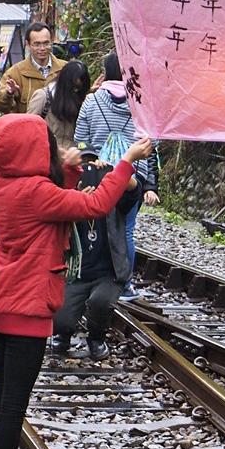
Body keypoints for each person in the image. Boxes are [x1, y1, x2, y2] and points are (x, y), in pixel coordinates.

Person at [0, 113, 151, 449]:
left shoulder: (7, 184)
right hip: (27, 305)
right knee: (12, 407)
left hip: (5, 300)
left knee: (3, 400)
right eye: (47, 142)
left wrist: (69, 172)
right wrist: (126, 161)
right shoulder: (37, 191)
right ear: (30, 150)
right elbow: (93, 205)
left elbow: (58, 208)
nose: (54, 147)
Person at [74, 51, 156, 301]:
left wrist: (91, 158)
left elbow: (80, 141)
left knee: (94, 227)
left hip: (98, 175)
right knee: (126, 229)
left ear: (106, 71)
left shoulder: (92, 101)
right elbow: (153, 143)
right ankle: (125, 283)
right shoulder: (142, 102)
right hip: (132, 176)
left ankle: (95, 279)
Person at [51, 150, 141, 360]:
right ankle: (62, 335)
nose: (89, 172)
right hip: (75, 273)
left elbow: (134, 191)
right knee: (60, 319)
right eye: (83, 167)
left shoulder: (113, 201)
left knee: (100, 302)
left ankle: (97, 338)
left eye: (92, 166)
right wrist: (76, 193)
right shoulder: (66, 198)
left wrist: (113, 174)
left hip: (107, 274)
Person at [0, 22, 66, 115]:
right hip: (28, 128)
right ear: (28, 44)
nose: (42, 48)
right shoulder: (15, 73)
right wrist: (8, 94)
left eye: (46, 43)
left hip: (58, 129)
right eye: (37, 44)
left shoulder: (65, 69)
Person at [27, 58, 90, 150]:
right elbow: (29, 128)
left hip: (71, 155)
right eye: (74, 87)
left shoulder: (79, 99)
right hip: (48, 154)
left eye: (80, 88)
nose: (76, 90)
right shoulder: (43, 96)